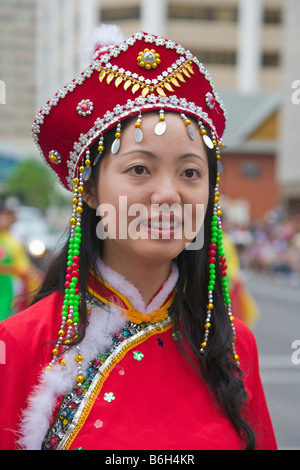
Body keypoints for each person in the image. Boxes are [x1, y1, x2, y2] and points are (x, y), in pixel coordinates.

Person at [0, 25, 277, 450]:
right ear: (89, 191)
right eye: (139, 169)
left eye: (190, 172)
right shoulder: (20, 344)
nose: (168, 194)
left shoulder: (234, 345)